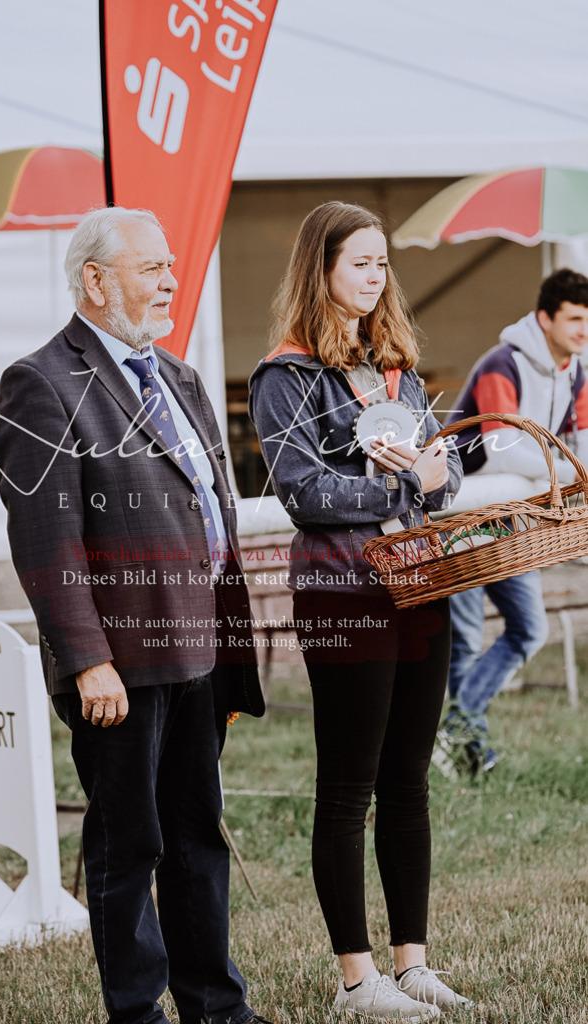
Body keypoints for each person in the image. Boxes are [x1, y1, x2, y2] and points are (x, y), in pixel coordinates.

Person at [0, 206, 269, 1024]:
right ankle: (138, 1014)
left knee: (197, 837)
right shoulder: (41, 382)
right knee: (129, 844)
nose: (172, 281)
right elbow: (47, 541)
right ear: (96, 280)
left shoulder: (179, 376)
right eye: (152, 268)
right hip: (120, 662)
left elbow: (210, 510)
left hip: (199, 648)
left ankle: (216, 1008)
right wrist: (87, 659)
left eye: (170, 266)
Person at [249, 201, 468, 1021]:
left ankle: (413, 965)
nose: (376, 277)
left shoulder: (395, 364)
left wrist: (435, 473)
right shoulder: (285, 377)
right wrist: (407, 482)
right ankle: (356, 980)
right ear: (322, 269)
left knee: (407, 781)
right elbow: (305, 493)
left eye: (382, 263)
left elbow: (447, 474)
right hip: (344, 593)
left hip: (419, 587)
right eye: (360, 263)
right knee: (348, 787)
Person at [443, 267, 588, 775]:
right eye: (574, 319)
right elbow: (501, 450)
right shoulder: (500, 364)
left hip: (511, 517)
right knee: (465, 640)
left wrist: (573, 469)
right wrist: (570, 471)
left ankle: (457, 725)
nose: (584, 331)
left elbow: (583, 444)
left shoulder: (577, 372)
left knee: (529, 629)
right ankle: (471, 756)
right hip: (460, 515)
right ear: (545, 318)